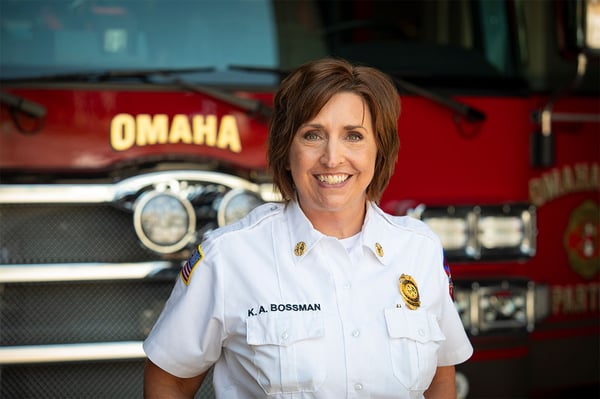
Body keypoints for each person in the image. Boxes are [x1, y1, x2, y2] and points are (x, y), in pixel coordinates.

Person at [143, 57, 473, 399]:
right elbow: (170, 380)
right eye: (313, 135)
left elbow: (439, 378)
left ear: (380, 150)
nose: (332, 158)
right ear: (286, 152)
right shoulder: (227, 258)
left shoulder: (420, 251)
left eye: (354, 136)